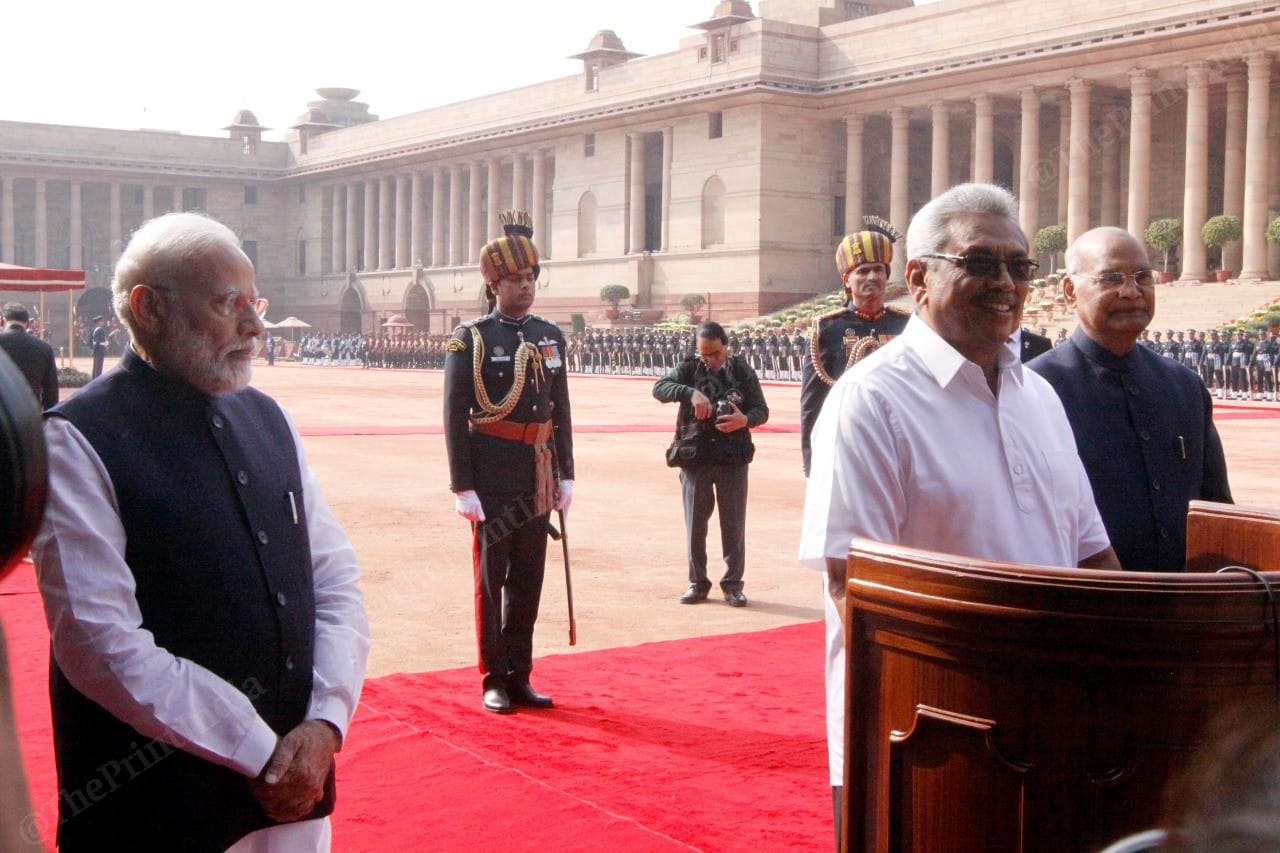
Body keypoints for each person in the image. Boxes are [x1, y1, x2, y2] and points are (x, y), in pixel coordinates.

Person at [32, 212, 370, 852]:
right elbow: (99, 645)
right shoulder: (78, 439)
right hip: (156, 804)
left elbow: (334, 581)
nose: (255, 325)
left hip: (295, 791)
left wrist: (326, 722)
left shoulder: (269, 419)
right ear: (149, 308)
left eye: (256, 302)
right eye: (227, 304)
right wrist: (259, 748)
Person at [798, 183, 1119, 846]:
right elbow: (855, 586)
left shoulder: (1042, 400)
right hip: (926, 742)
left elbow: (1094, 558)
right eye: (980, 262)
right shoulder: (873, 401)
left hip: (1052, 729)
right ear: (918, 277)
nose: (1005, 283)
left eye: (1019, 266)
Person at [1027, 227, 1232, 572]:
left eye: (1143, 277)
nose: (1131, 291)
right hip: (1081, 606)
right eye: (1111, 278)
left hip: (1182, 605)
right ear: (1069, 291)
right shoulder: (1035, 389)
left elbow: (1217, 507)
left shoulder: (1184, 386)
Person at [443, 211, 573, 716]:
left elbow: (560, 410)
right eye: (516, 280)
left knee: (528, 579)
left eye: (531, 278)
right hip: (491, 477)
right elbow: (455, 415)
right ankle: (492, 677)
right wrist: (462, 486)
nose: (526, 287)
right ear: (493, 284)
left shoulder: (549, 335)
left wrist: (567, 474)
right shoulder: (470, 338)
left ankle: (521, 674)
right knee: (490, 581)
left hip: (537, 473)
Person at [654, 321, 769, 607]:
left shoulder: (742, 371)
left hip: (732, 458)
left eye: (715, 353)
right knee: (695, 525)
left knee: (733, 525)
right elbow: (659, 388)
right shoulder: (689, 369)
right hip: (697, 458)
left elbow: (761, 410)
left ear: (726, 346)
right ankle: (698, 582)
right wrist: (689, 392)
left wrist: (745, 420)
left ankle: (732, 584)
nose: (710, 360)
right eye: (704, 354)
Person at [800, 218, 910, 476]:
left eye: (877, 269)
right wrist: (812, 465)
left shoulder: (907, 325)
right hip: (847, 445)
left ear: (887, 275)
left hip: (898, 444)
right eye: (862, 271)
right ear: (847, 280)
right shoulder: (826, 330)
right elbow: (812, 403)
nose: (871, 276)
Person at [0, 302, 58, 410]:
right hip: (30, 417)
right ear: (27, 324)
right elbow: (51, 393)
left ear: (2, 321)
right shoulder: (44, 348)